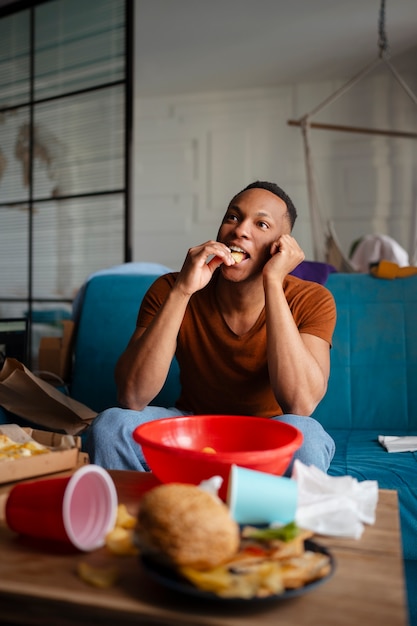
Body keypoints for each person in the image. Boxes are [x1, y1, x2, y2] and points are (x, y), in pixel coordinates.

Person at [85, 181, 336, 475]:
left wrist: (273, 281)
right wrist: (182, 292)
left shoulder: (312, 299)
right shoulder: (171, 288)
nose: (240, 230)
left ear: (282, 246)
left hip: (268, 436)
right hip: (193, 430)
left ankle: (277, 521)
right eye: (233, 217)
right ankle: (138, 517)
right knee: (111, 426)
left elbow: (301, 403)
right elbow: (132, 396)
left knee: (305, 437)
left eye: (261, 224)